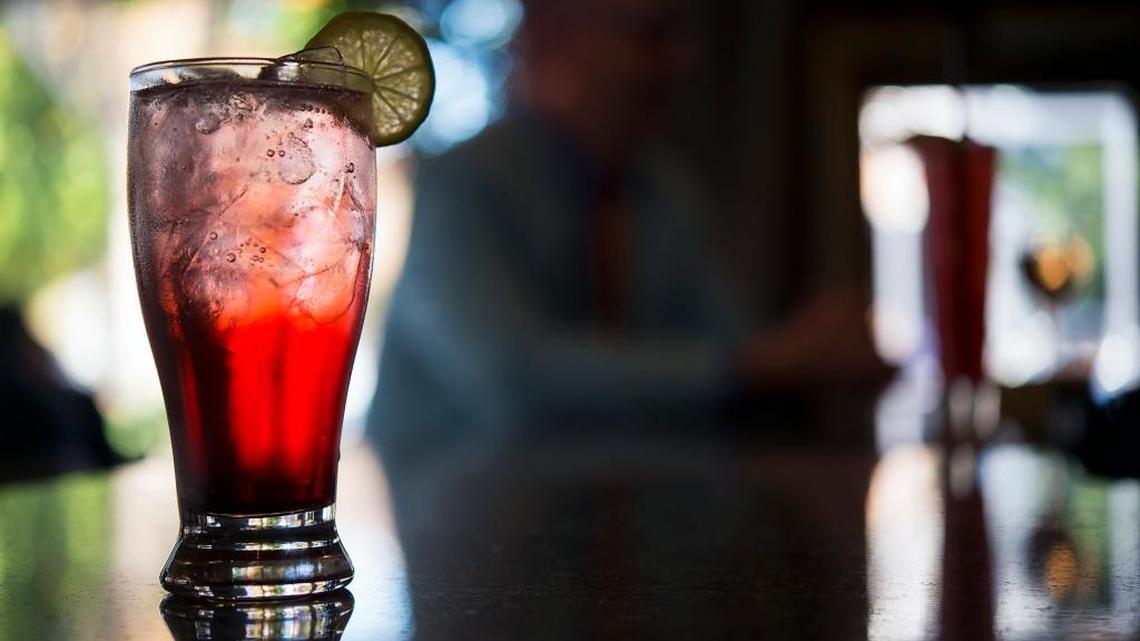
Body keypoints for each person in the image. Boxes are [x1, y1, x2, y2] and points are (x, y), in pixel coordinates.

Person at [368, 0, 889, 463]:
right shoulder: (464, 181)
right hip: (463, 527)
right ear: (553, 38)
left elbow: (728, 346)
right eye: (650, 34)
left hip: (627, 521)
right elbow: (513, 377)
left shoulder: (665, 190)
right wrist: (761, 363)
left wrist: (795, 357)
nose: (686, 59)